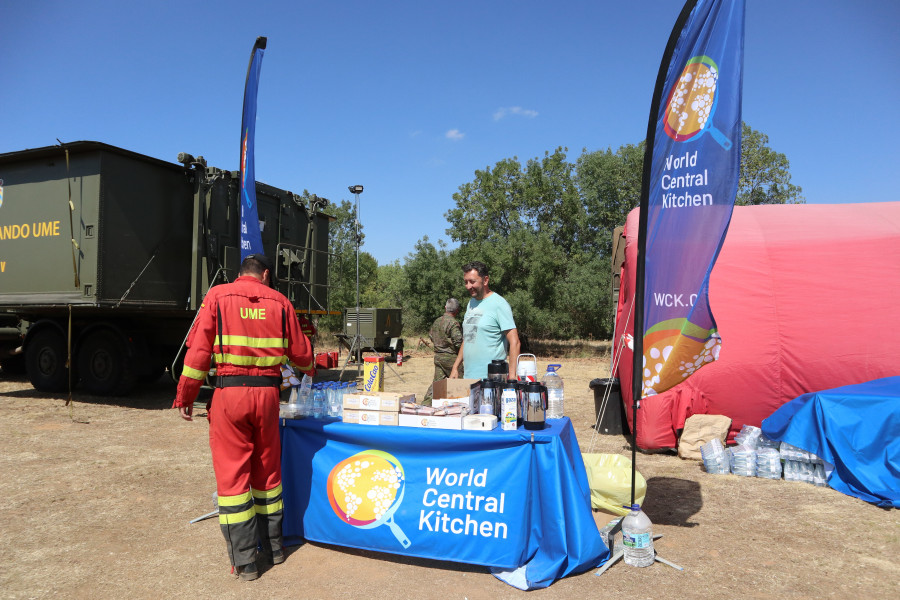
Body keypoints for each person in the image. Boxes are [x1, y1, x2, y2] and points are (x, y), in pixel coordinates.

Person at [173, 253, 315, 581]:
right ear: (265, 274)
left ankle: (247, 562)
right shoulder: (280, 302)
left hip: (229, 395)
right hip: (267, 397)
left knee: (233, 479)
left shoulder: (217, 296)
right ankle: (276, 548)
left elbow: (198, 352)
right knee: (267, 472)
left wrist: (186, 394)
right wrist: (308, 372)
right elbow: (302, 353)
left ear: (241, 274)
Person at [450, 261, 520, 381]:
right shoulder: (471, 303)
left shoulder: (499, 304)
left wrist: (512, 378)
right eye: (466, 282)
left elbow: (515, 342)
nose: (468, 286)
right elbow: (468, 338)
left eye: (472, 281)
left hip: (491, 381)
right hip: (469, 378)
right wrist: (455, 367)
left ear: (485, 280)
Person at [424, 298, 463, 405]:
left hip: (438, 357)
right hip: (451, 358)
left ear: (445, 308)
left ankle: (425, 404)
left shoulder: (437, 321)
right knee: (461, 383)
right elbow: (458, 342)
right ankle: (461, 406)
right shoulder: (453, 323)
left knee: (437, 384)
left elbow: (431, 336)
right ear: (457, 310)